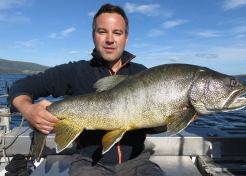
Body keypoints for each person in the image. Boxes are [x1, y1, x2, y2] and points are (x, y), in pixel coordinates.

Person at [9, 3, 168, 176]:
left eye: (117, 33)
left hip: (137, 162)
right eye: (102, 32)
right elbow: (22, 86)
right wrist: (28, 109)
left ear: (126, 38)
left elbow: (152, 127)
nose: (110, 39)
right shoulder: (74, 71)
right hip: (89, 164)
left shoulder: (142, 74)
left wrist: (172, 116)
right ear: (94, 36)